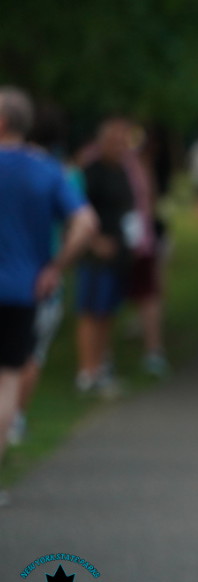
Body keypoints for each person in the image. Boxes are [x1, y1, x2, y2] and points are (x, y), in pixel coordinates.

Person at [0, 86, 98, 503]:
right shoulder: (47, 169)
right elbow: (86, 223)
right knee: (7, 380)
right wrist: (56, 267)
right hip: (22, 291)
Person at [75, 117, 137, 396]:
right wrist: (95, 241)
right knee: (91, 311)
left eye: (123, 141)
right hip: (96, 256)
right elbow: (76, 211)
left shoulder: (122, 171)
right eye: (114, 141)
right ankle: (87, 371)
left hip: (119, 252)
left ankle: (100, 365)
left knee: (107, 312)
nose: (119, 146)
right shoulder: (91, 172)